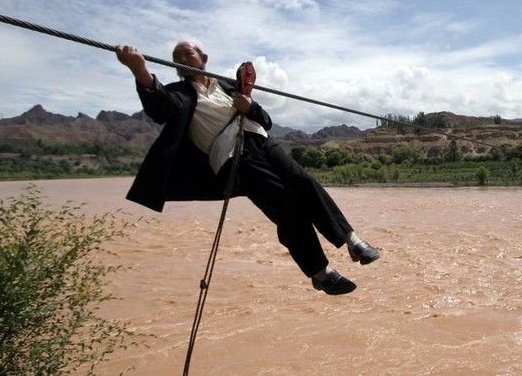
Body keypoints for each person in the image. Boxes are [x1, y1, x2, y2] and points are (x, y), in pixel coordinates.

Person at [115, 41, 379, 295]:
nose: (182, 60)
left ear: (203, 59)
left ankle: (352, 241)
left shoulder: (230, 86)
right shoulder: (179, 93)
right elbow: (160, 106)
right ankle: (320, 273)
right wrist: (140, 70)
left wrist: (250, 106)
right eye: (177, 58)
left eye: (187, 54)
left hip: (261, 141)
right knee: (285, 205)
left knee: (303, 180)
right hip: (231, 156)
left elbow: (266, 120)